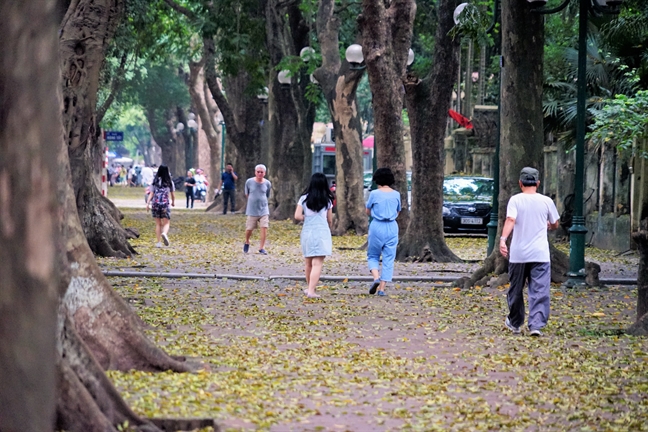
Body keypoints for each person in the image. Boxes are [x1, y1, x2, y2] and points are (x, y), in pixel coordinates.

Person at [499, 167, 560, 337]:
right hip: (540, 254)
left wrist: (503, 239)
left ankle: (515, 322)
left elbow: (511, 219)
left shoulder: (515, 200)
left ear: (520, 183)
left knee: (516, 289)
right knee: (540, 290)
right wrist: (550, 225)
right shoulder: (547, 201)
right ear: (538, 183)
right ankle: (536, 325)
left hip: (519, 254)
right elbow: (555, 223)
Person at [294, 173, 334, 298]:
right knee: (318, 263)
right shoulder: (327, 200)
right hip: (321, 232)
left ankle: (309, 287)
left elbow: (297, 216)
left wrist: (307, 217)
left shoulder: (304, 199)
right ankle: (311, 291)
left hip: (307, 231)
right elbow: (330, 220)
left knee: (308, 262)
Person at [366, 168, 401, 297]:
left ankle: (376, 277)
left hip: (377, 226)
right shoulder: (396, 194)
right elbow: (398, 211)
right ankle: (382, 288)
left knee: (373, 255)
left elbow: (368, 210)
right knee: (389, 258)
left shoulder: (374, 194)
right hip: (392, 226)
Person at [244, 164, 271, 255]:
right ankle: (247, 241)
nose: (259, 174)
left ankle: (261, 248)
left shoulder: (267, 183)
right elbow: (247, 194)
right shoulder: (249, 182)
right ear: (255, 172)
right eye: (258, 172)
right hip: (252, 210)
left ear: (264, 173)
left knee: (264, 227)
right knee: (249, 229)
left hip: (264, 209)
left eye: (261, 172)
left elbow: (267, 194)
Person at [146, 165, 175, 247]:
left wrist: (147, 203)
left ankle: (158, 242)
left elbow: (151, 193)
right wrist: (173, 202)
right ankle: (164, 233)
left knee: (158, 224)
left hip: (155, 204)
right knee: (166, 222)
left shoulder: (154, 181)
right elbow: (172, 194)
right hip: (165, 204)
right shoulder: (169, 182)